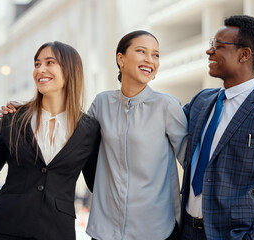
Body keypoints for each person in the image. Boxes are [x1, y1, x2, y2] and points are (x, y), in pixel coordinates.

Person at [180, 15, 254, 240]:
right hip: (185, 231)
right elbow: (166, 130)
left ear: (244, 54)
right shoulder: (200, 101)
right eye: (211, 45)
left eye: (218, 46)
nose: (209, 51)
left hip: (232, 235)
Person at [0, 41, 101, 240]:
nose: (40, 69)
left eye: (49, 62)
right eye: (37, 64)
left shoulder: (89, 129)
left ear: (70, 70)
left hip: (57, 232)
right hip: (6, 229)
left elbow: (98, 184)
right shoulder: (14, 119)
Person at [85, 30, 188, 240]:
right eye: (141, 51)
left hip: (155, 230)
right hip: (105, 230)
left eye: (156, 54)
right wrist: (22, 110)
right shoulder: (101, 103)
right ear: (120, 59)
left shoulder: (167, 105)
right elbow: (75, 143)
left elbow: (192, 161)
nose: (150, 59)